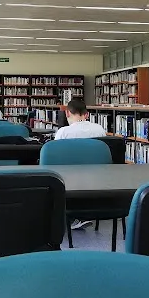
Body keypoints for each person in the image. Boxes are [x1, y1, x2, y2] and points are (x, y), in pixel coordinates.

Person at [53, 97, 107, 230]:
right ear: (87, 114)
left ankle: (73, 217)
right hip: (97, 177)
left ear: (67, 113)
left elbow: (55, 157)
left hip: (70, 179)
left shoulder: (63, 132)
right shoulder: (99, 129)